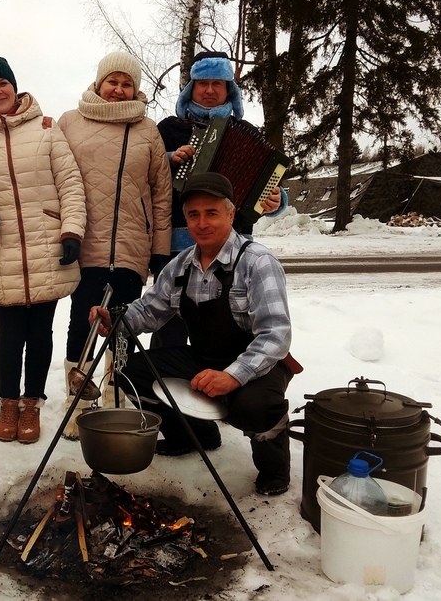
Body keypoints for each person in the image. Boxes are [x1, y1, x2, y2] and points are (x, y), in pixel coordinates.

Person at [89, 172, 300, 496]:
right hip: (204, 357)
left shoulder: (257, 262)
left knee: (254, 406)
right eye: (193, 214)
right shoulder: (180, 267)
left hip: (261, 364)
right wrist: (116, 319)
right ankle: (194, 435)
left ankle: (274, 469)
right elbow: (149, 312)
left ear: (231, 214)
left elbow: (276, 334)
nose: (202, 223)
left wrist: (233, 376)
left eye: (211, 213)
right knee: (134, 371)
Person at [0, 56, 86, 444]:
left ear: (14, 86)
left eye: (3, 83)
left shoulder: (47, 129)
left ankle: (32, 403)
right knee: (9, 334)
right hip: (3, 251)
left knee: (41, 332)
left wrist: (71, 232)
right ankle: (9, 403)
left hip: (47, 247)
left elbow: (71, 185)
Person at [57, 51, 172, 439]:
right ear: (99, 82)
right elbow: (53, 175)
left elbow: (161, 193)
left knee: (122, 326)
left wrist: (160, 249)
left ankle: (115, 394)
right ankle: (77, 402)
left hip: (131, 245)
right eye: (113, 81)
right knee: (81, 321)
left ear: (135, 89)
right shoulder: (70, 122)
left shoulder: (148, 130)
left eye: (127, 84)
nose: (119, 90)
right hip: (84, 241)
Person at [152, 51, 286, 349]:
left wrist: (276, 198)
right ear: (191, 88)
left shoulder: (246, 131)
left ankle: (227, 375)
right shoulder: (169, 129)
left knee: (230, 327)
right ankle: (164, 375)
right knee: (170, 328)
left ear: (229, 90)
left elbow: (265, 181)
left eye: (218, 83)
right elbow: (145, 175)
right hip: (177, 244)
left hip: (233, 248)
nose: (210, 90)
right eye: (203, 83)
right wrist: (169, 160)